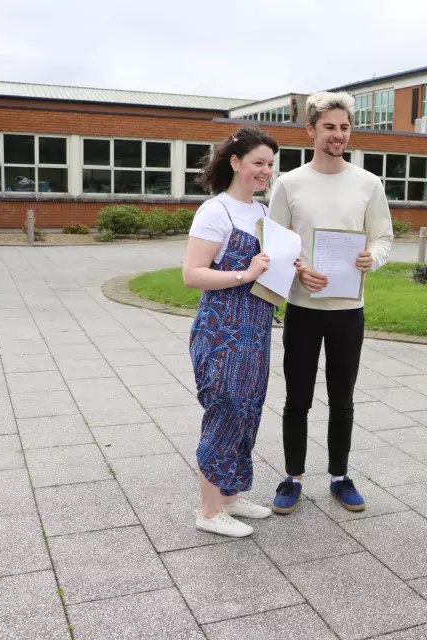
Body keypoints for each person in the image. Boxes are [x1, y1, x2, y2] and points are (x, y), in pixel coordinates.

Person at [267, 91, 393, 515]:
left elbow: (383, 238)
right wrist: (299, 268)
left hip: (347, 313)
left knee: (343, 398)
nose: (338, 135)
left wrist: (370, 258)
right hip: (303, 310)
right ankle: (293, 477)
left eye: (344, 127)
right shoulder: (289, 184)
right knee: (296, 398)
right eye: (329, 127)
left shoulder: (368, 184)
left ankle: (340, 476)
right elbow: (275, 243)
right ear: (310, 131)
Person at [183, 125, 299, 538]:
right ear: (235, 163)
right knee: (224, 411)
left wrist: (290, 267)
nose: (266, 171)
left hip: (255, 330)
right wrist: (244, 274)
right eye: (258, 163)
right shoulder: (215, 211)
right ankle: (208, 511)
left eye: (270, 164)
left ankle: (229, 496)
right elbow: (192, 275)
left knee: (248, 410)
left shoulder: (263, 212)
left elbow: (270, 267)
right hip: (220, 331)